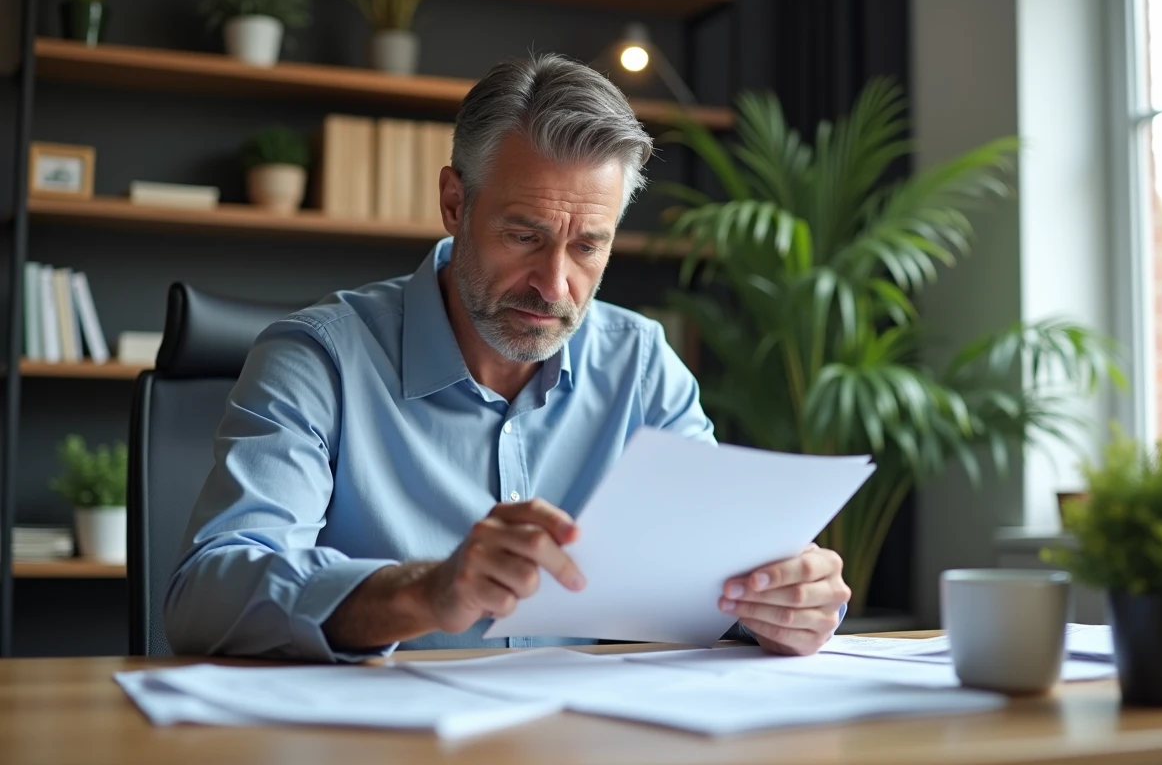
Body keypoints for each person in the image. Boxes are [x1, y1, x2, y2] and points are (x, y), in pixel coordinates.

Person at [164, 53, 851, 663]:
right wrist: (423, 593)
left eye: (588, 247)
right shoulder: (317, 361)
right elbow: (205, 597)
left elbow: (711, 575)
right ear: (454, 202)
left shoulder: (643, 366)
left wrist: (783, 602)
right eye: (525, 235)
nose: (555, 286)